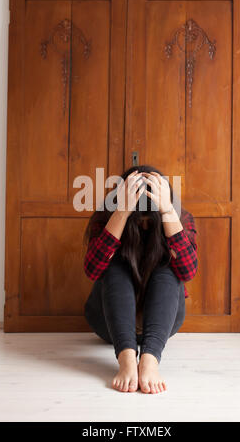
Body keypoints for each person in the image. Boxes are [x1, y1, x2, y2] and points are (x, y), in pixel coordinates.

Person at [83, 165, 198, 393]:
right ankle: (126, 361)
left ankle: (150, 361)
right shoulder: (106, 216)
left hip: (161, 326)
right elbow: (93, 270)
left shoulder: (180, 216)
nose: (143, 226)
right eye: (138, 220)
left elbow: (187, 272)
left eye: (148, 220)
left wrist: (167, 212)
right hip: (108, 324)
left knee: (167, 269)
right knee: (114, 265)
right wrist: (122, 212)